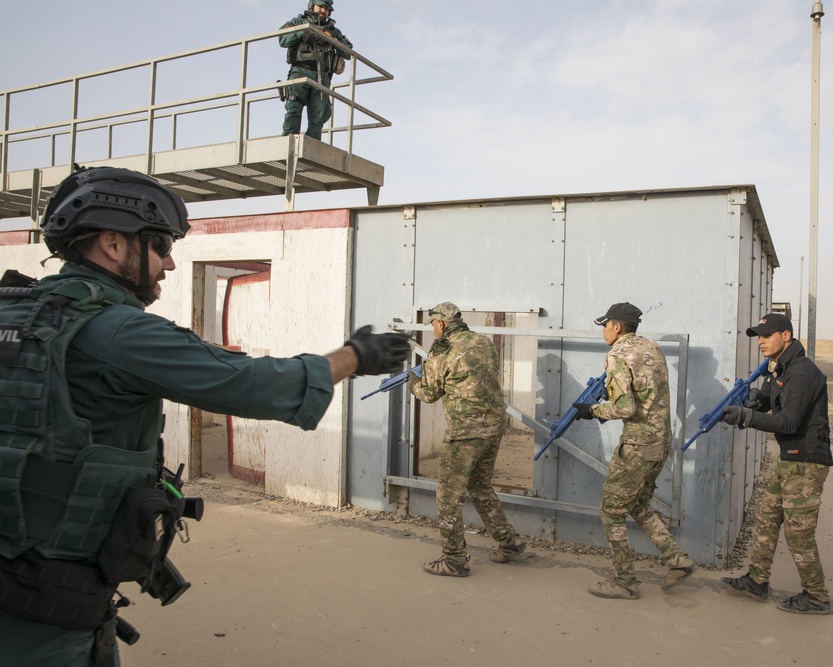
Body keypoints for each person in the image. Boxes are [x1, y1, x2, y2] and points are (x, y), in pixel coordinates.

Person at [0, 166, 409, 666]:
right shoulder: (117, 332)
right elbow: (252, 385)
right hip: (47, 600)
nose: (170, 264)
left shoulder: (17, 312)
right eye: (161, 245)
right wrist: (355, 356)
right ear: (112, 243)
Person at [574, 302, 695, 599]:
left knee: (611, 510)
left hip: (638, 446)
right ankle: (678, 560)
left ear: (617, 326)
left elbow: (626, 407)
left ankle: (625, 581)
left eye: (605, 325)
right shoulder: (652, 349)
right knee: (638, 505)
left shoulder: (618, 354)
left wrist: (594, 410)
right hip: (660, 443)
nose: (603, 330)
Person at [719, 313, 833, 614]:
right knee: (767, 517)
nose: (761, 341)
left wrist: (747, 417)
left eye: (767, 335)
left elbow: (788, 421)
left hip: (807, 462)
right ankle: (757, 580)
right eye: (759, 336)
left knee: (798, 532)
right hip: (791, 460)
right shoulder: (782, 368)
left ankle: (817, 596)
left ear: (786, 336)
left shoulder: (802, 373)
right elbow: (771, 400)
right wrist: (757, 398)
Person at [408, 302, 525, 577]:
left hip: (465, 433)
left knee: (448, 497)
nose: (434, 330)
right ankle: (508, 542)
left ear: (441, 323)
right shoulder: (483, 342)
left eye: (434, 325)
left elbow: (429, 394)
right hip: (493, 426)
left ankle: (454, 560)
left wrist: (413, 382)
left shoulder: (443, 351)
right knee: (480, 486)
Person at [279, 0, 353, 140]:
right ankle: (287, 144)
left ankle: (310, 148)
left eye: (326, 9)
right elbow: (282, 38)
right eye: (321, 7)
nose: (323, 11)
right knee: (293, 109)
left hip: (322, 76)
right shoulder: (298, 22)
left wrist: (331, 39)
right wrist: (303, 33)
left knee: (318, 117)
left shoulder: (333, 31)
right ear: (312, 6)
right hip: (300, 71)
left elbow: (348, 52)